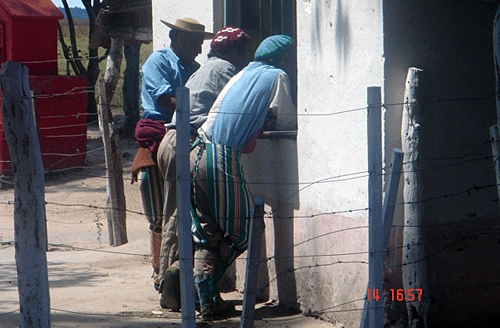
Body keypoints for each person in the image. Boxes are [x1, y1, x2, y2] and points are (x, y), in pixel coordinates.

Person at [190, 35, 297, 318]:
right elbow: (287, 119)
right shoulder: (277, 75)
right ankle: (205, 282)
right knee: (245, 230)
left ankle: (207, 302)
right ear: (283, 58)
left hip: (197, 151)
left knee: (208, 232)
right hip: (221, 158)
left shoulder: (241, 74)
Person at [155, 26, 251, 311]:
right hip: (184, 142)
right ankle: (170, 287)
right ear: (233, 51)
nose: (245, 58)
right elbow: (234, 107)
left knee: (188, 217)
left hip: (176, 140)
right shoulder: (225, 70)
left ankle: (179, 285)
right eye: (243, 51)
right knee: (181, 216)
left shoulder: (207, 67)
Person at [130, 17, 213, 294]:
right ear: (177, 38)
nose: (199, 50)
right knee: (167, 209)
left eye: (201, 44)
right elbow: (165, 100)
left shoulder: (196, 68)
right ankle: (163, 274)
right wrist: (199, 106)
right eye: (195, 44)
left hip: (187, 131)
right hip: (161, 130)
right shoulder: (158, 61)